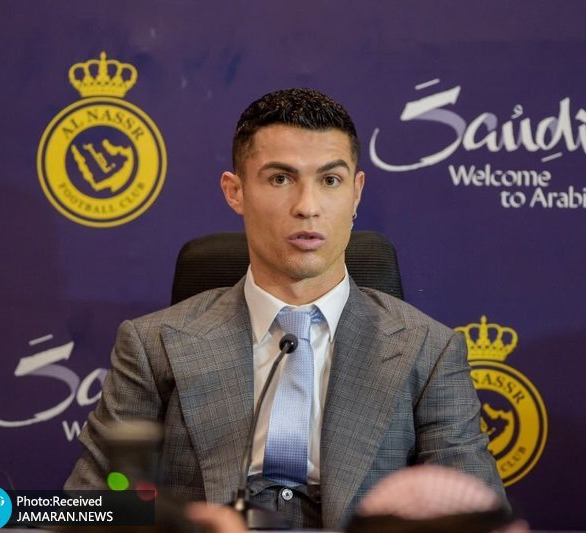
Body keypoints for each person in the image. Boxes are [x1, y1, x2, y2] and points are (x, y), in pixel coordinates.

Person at [66, 88, 505, 529]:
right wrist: (186, 523)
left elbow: (477, 521)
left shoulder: (428, 350)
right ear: (235, 192)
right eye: (280, 179)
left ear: (356, 192)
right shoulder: (153, 344)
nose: (307, 207)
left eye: (330, 181)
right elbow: (81, 509)